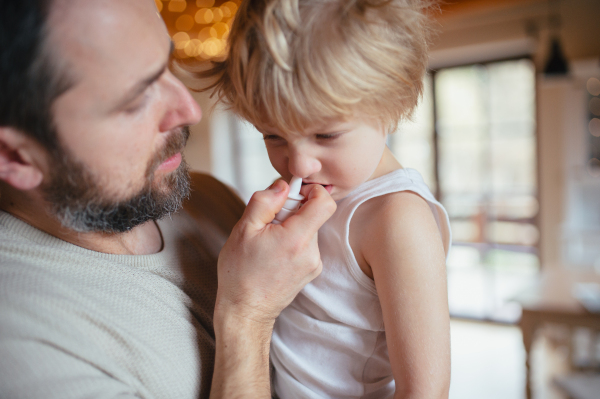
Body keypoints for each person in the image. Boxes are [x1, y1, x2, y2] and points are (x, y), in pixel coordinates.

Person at [0, 0, 336, 398]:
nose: (189, 109)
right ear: (17, 156)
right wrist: (249, 315)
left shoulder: (208, 198)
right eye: (135, 100)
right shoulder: (19, 346)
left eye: (167, 66)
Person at [197, 0, 452, 397]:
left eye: (326, 135)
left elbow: (425, 392)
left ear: (391, 105)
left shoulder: (397, 218)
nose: (298, 163)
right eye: (272, 136)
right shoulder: (313, 186)